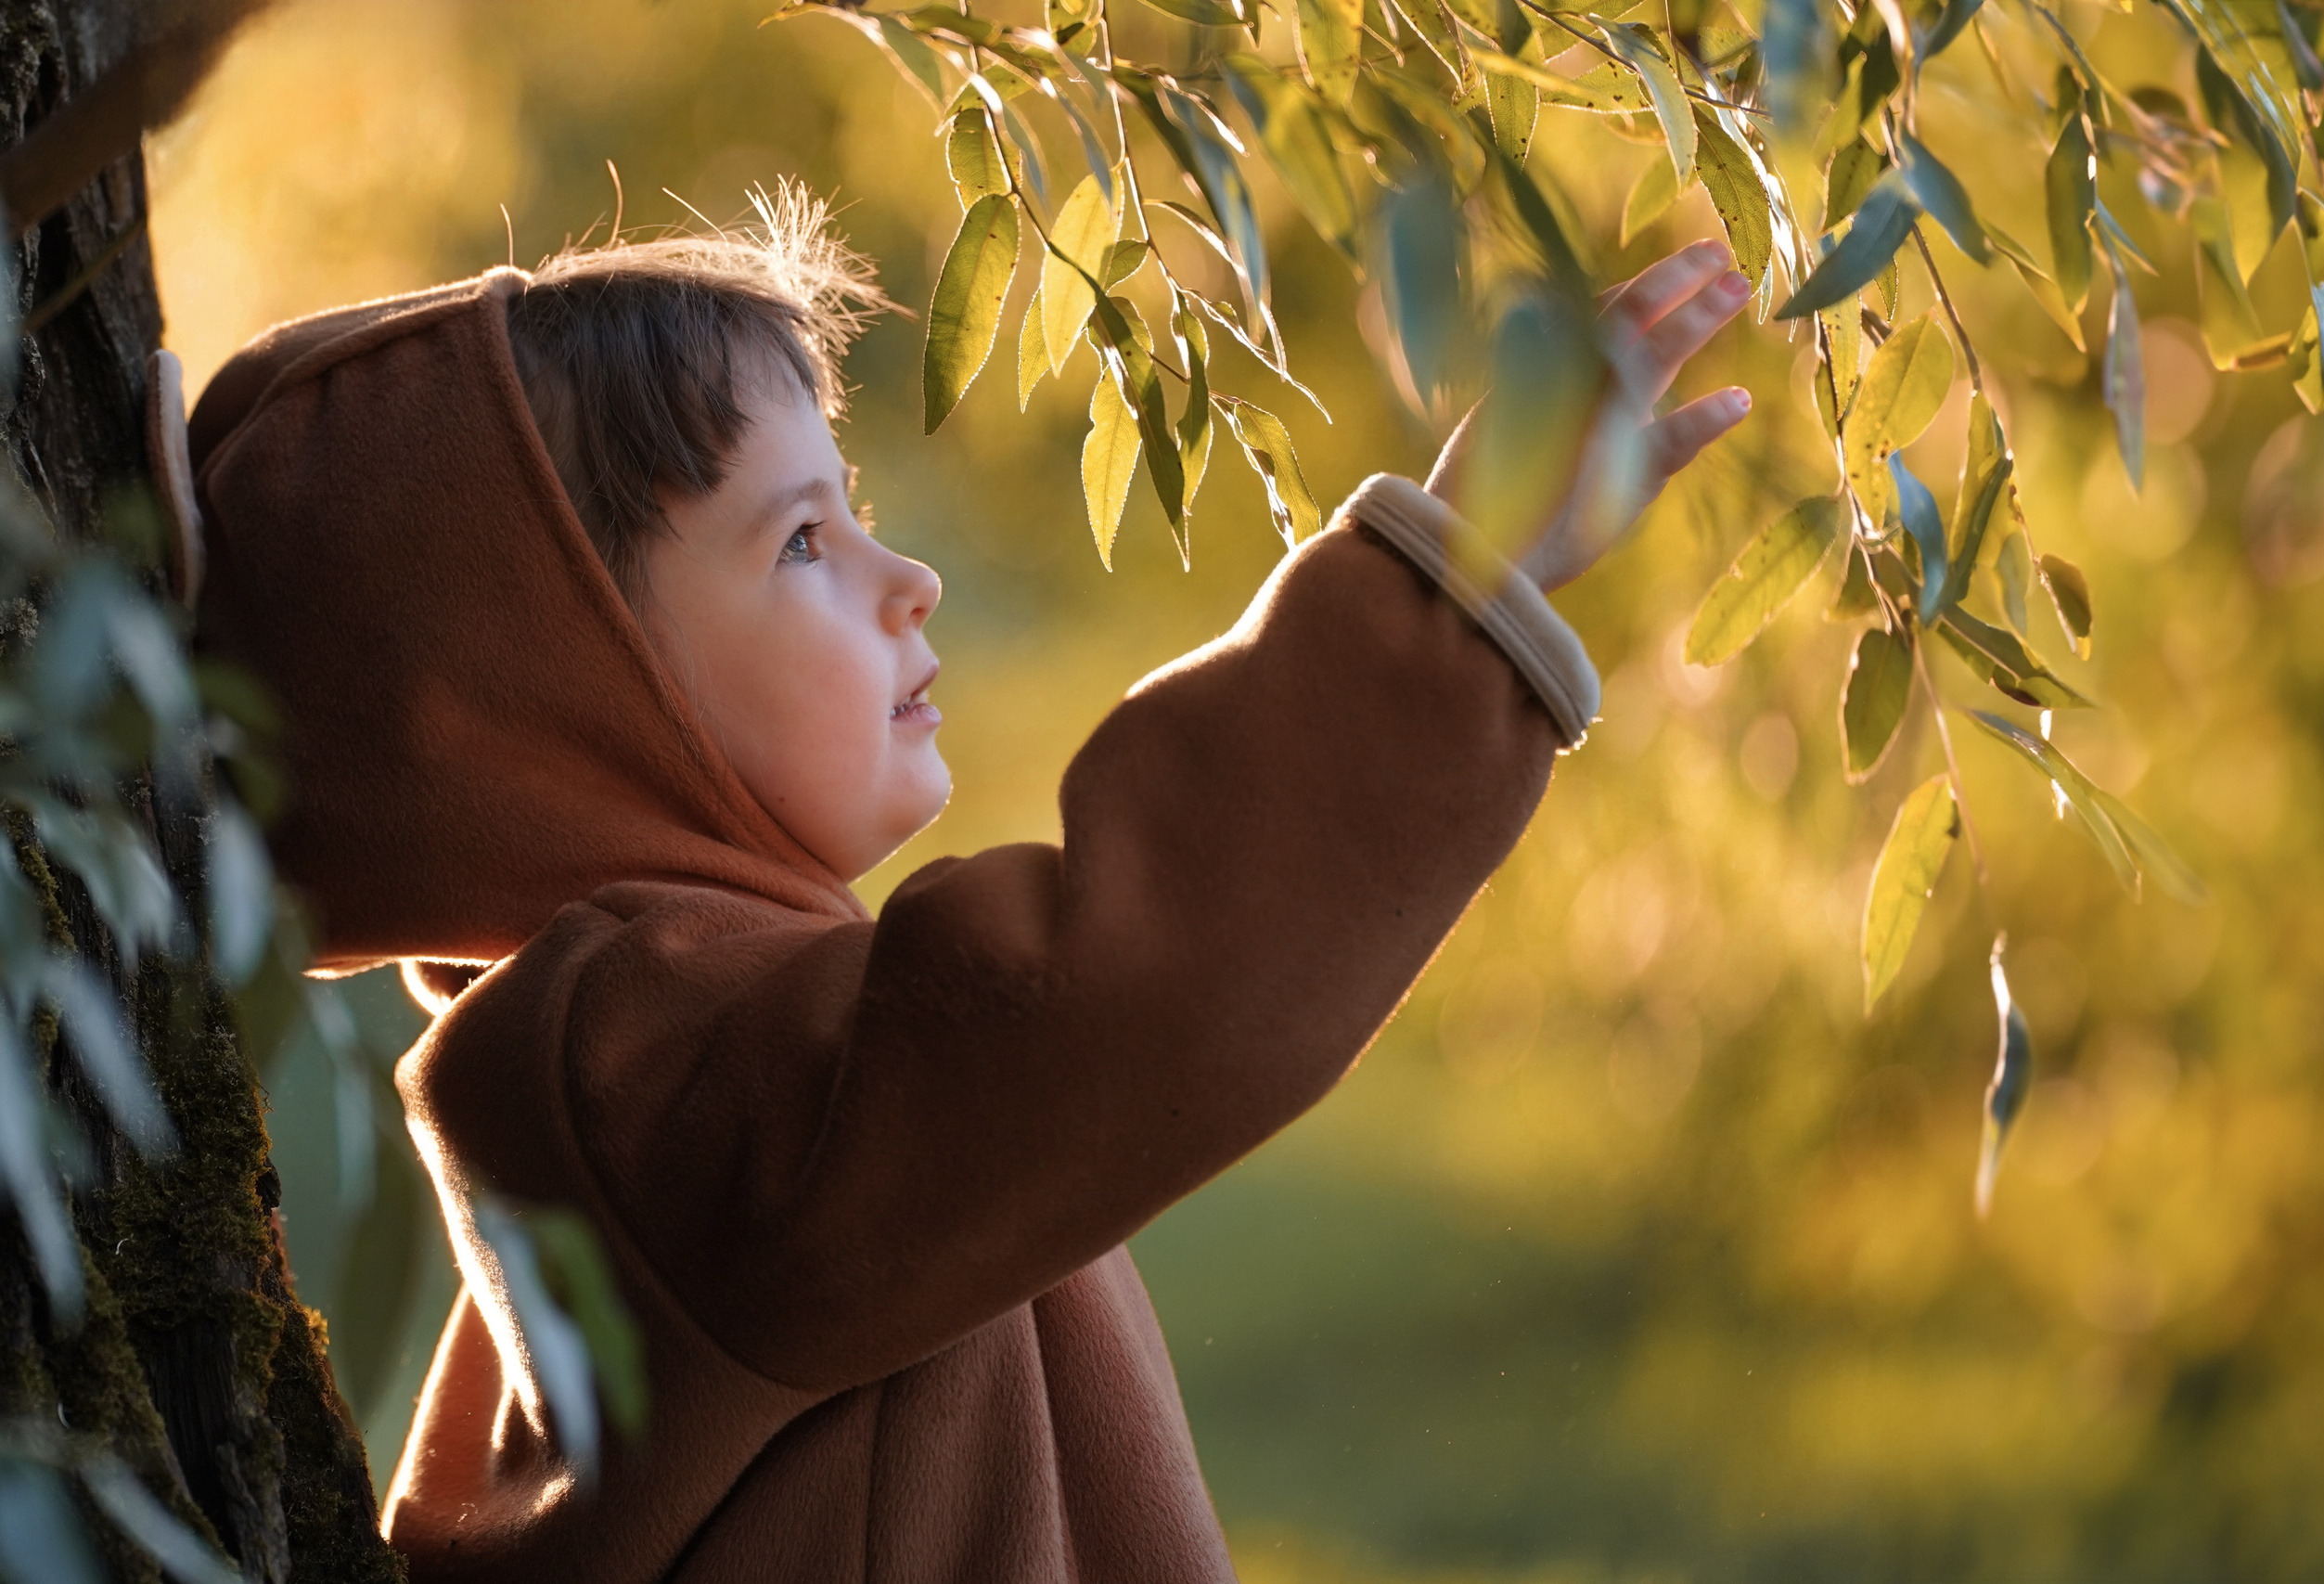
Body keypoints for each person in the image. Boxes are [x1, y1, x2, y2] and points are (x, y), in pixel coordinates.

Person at [187, 186, 1751, 1582]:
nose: (905, 578)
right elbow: (1104, 988)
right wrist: (1454, 575)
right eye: (803, 542)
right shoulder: (640, 1072)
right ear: (565, 701)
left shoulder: (662, 1045)